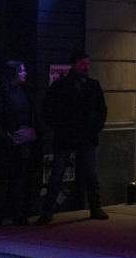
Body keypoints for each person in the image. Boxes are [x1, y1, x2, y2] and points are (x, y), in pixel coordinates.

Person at [38, 51, 108, 224]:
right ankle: (49, 211)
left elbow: (102, 110)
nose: (86, 67)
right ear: (74, 65)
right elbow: (47, 110)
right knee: (58, 175)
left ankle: (93, 206)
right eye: (83, 64)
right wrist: (59, 127)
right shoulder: (62, 86)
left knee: (87, 174)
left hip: (83, 136)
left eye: (87, 64)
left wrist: (95, 128)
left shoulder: (90, 85)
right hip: (69, 135)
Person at [0, 60, 36, 228]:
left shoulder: (21, 91)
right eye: (22, 71)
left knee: (17, 179)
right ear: (14, 73)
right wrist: (4, 135)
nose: (25, 73)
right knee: (2, 180)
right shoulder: (2, 92)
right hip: (6, 142)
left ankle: (16, 213)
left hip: (19, 140)